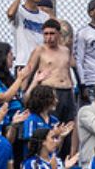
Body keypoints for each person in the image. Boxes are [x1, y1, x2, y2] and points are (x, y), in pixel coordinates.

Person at [19, 19, 79, 150]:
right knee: (54, 127)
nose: (49, 37)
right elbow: (28, 71)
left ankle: (66, 158)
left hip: (67, 92)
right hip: (50, 91)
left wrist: (73, 92)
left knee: (69, 127)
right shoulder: (39, 50)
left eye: (52, 33)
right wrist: (24, 91)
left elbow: (69, 71)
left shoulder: (65, 51)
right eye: (45, 34)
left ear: (58, 34)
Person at [7, 0, 52, 71]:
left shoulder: (45, 17)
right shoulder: (19, 12)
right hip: (24, 63)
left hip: (41, 64)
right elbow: (10, 13)